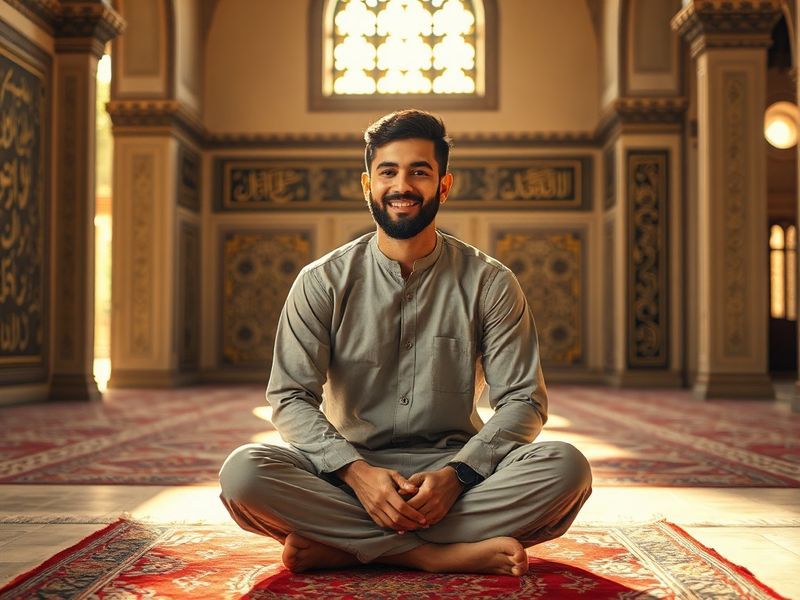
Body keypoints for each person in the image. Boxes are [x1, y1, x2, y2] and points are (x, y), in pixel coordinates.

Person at [219, 109, 592, 577]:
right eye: (388, 171)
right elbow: (290, 397)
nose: (402, 186)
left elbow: (523, 401)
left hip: (456, 471)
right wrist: (357, 475)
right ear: (367, 184)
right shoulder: (321, 282)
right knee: (243, 474)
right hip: (347, 473)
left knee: (566, 469)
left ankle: (348, 547)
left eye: (419, 171)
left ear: (444, 185)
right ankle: (433, 556)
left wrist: (456, 478)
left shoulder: (491, 283)